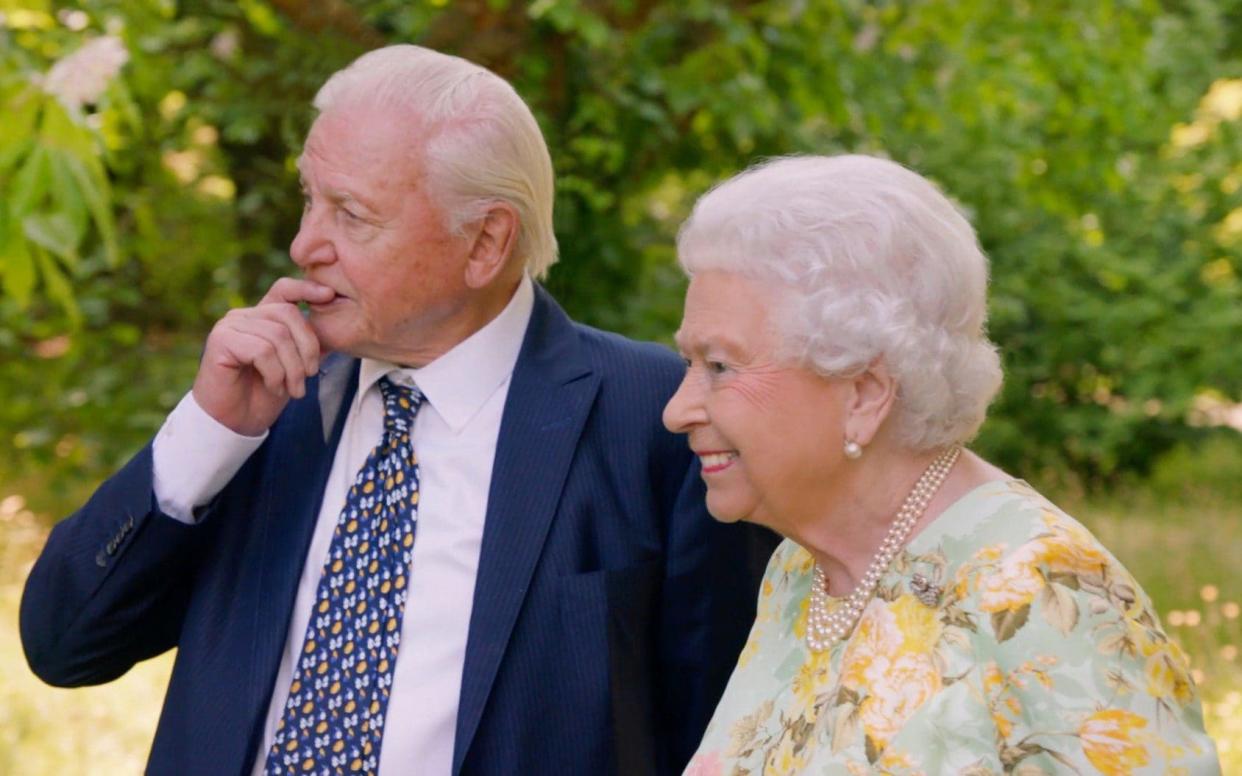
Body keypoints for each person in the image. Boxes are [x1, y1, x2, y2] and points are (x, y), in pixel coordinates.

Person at [20, 45, 771, 776]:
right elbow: (64, 646)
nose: (303, 242)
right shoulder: (268, 398)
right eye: (310, 199)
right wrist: (211, 433)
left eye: (351, 214)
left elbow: (721, 728)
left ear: (485, 242)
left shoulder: (659, 417)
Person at [663, 155, 1221, 774]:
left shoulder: (1038, 588)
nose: (677, 410)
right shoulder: (801, 571)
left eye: (719, 367)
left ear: (864, 394)